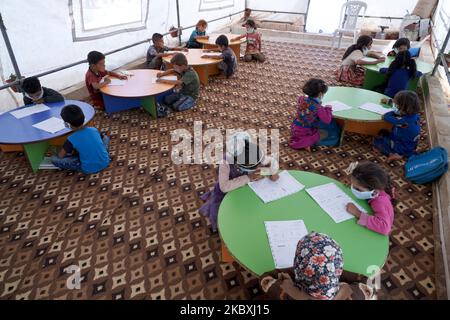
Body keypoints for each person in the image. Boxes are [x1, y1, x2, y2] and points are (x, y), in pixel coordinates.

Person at [199, 132, 279, 233]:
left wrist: (272, 171)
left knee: (254, 210)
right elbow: (224, 186)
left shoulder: (254, 152)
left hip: (249, 187)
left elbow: (270, 164)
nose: (256, 166)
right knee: (228, 216)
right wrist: (248, 178)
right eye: (250, 166)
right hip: (228, 191)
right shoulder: (225, 162)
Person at [260, 232, 375, 300]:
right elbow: (368, 285)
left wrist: (295, 272)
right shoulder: (353, 295)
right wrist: (331, 271)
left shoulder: (286, 293)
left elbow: (266, 279)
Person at [51, 104, 110, 174]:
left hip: (88, 169)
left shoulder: (71, 139)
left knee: (54, 159)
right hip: (105, 162)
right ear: (83, 117)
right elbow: (101, 138)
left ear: (67, 124)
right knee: (105, 137)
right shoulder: (93, 129)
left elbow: (61, 156)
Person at [346, 161, 395, 236]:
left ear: (374, 191)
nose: (353, 189)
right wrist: (354, 185)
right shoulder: (373, 186)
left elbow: (385, 228)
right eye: (352, 184)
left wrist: (357, 213)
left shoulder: (379, 202)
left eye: (358, 189)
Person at [374, 91, 421, 162]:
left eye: (397, 105)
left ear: (403, 108)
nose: (395, 106)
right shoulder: (415, 116)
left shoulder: (401, 122)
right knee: (384, 131)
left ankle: (397, 154)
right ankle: (401, 152)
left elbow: (385, 116)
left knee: (377, 141)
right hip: (411, 145)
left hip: (402, 147)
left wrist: (393, 112)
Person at [290, 79, 333, 151]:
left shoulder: (302, 98)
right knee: (325, 133)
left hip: (295, 127)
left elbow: (307, 107)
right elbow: (327, 120)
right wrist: (328, 109)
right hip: (305, 131)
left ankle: (302, 140)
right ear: (320, 94)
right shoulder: (318, 108)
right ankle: (305, 143)